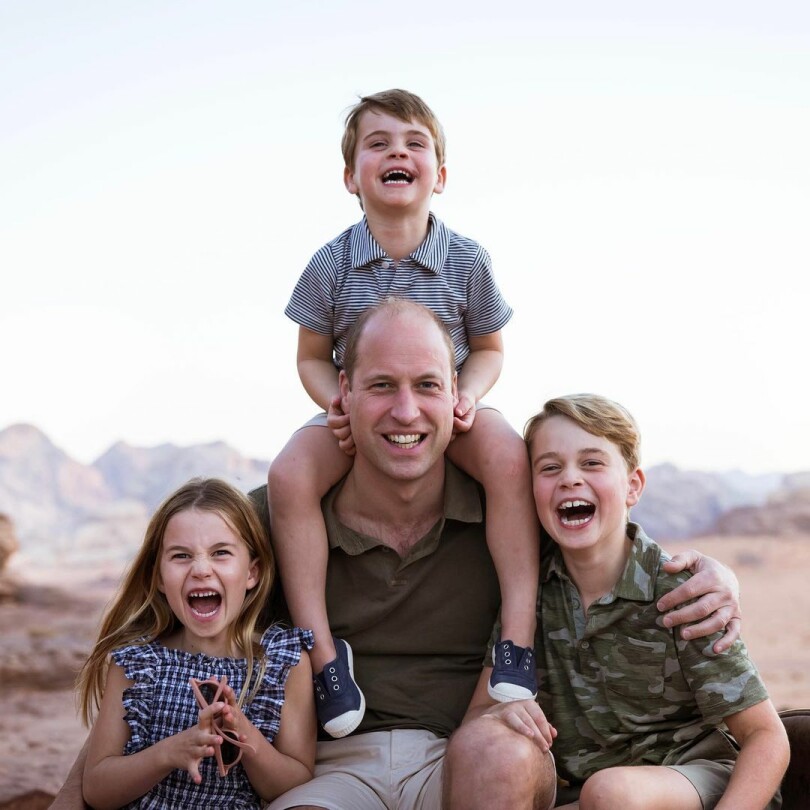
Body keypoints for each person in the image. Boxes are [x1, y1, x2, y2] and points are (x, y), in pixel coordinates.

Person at [52, 301, 743, 810]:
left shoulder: (510, 515)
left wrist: (720, 574)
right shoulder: (278, 524)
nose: (405, 411)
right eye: (381, 386)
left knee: (500, 751)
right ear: (342, 395)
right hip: (330, 770)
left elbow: (606, 542)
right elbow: (158, 646)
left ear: (459, 400)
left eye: (427, 386)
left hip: (469, 759)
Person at [267, 88, 541, 737]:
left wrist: (468, 394)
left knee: (508, 454)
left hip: (446, 408)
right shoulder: (331, 263)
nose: (398, 152)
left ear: (439, 176)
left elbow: (490, 347)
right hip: (361, 412)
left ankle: (518, 639)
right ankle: (324, 658)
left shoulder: (466, 259)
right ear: (350, 175)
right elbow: (309, 356)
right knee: (288, 475)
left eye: (415, 143)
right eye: (379, 143)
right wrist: (331, 401)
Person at [462, 394, 789, 809]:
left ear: (632, 486)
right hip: (591, 796)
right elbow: (477, 718)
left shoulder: (680, 592)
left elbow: (766, 736)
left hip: (699, 780)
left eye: (592, 463)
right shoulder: (531, 593)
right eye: (549, 467)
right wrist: (499, 716)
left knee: (612, 791)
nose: (570, 479)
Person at [75, 478, 317, 809]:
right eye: (181, 555)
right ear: (158, 578)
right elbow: (97, 790)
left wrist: (241, 732)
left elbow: (293, 783)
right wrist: (169, 753)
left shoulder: (282, 662)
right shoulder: (138, 663)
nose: (201, 569)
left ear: (252, 572)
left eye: (221, 553)